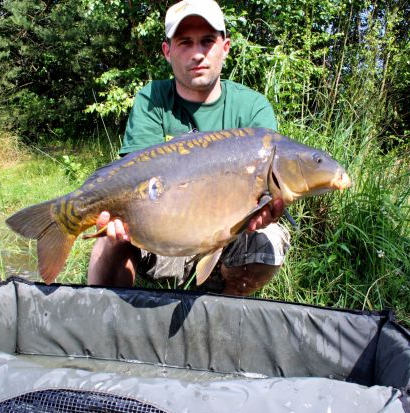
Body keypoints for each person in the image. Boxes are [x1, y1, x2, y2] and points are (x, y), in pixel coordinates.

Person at [87, 0, 290, 296]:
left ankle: (221, 304)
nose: (197, 54)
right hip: (163, 231)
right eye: (185, 42)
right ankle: (103, 313)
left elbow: (272, 191)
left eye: (207, 41)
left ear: (226, 47)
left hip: (227, 233)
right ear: (167, 51)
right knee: (112, 235)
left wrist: (268, 209)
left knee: (269, 239)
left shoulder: (252, 108)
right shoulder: (153, 98)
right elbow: (131, 179)